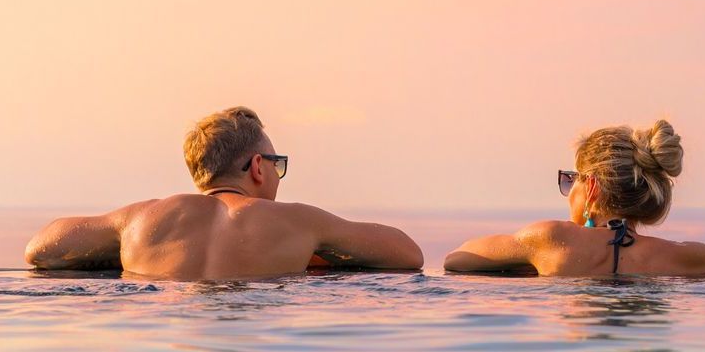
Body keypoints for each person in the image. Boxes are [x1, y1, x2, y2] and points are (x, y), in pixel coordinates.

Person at [24, 107, 423, 279]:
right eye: (276, 164)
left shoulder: (139, 220)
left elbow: (41, 249)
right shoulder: (297, 222)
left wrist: (123, 249)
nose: (278, 176)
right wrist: (317, 251)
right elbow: (408, 255)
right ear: (255, 166)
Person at [444, 119, 705, 278]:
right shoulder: (679, 257)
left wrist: (526, 262)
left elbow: (458, 259)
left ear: (590, 186)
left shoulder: (550, 241)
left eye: (571, 181)